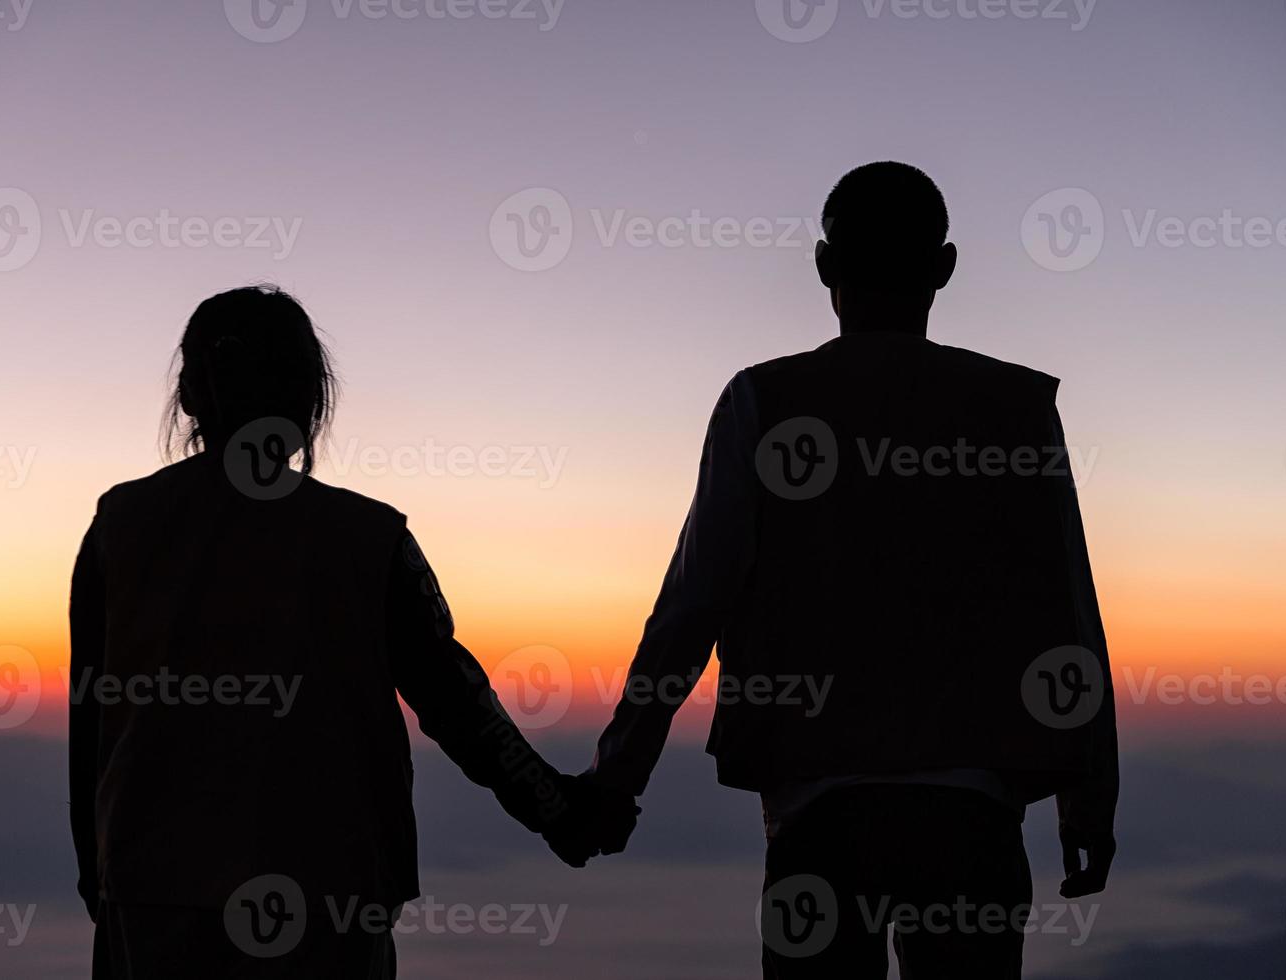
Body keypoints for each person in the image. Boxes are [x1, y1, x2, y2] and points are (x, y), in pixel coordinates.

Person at [580, 162, 1119, 978]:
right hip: (973, 817)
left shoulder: (764, 401)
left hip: (818, 814)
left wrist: (618, 776)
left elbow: (695, 602)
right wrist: (1090, 793)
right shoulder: (1015, 408)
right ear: (944, 269)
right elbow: (1068, 606)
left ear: (826, 267)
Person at [68, 285, 634, 978]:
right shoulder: (368, 541)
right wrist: (560, 810)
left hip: (153, 899)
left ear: (189, 395)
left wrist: (96, 870)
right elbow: (459, 706)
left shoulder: (118, 529)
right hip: (328, 901)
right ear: (311, 399)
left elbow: (89, 721)